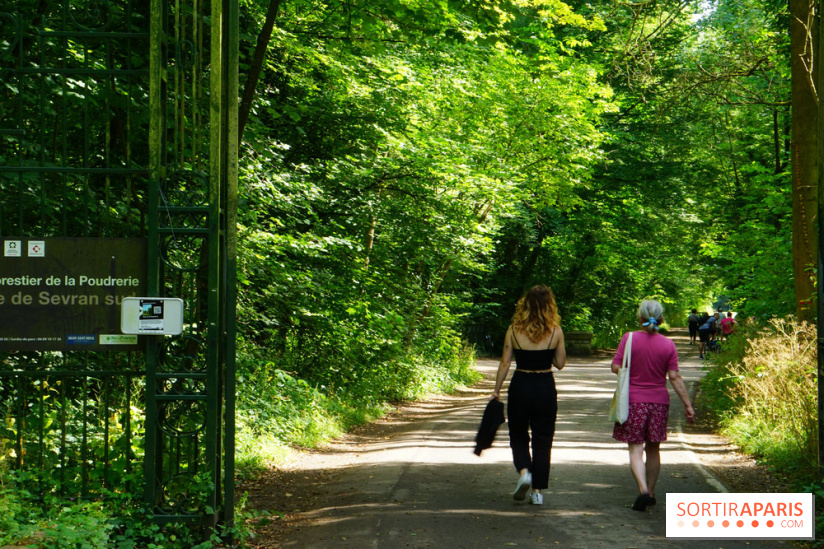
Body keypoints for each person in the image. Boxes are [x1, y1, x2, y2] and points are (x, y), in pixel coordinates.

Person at [611, 300, 695, 511]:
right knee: (654, 449)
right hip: (659, 403)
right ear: (661, 319)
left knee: (636, 449)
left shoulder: (628, 338)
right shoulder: (668, 345)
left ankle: (643, 492)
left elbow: (615, 367)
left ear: (639, 318)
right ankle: (652, 490)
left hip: (633, 402)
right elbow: (674, 377)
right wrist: (688, 405)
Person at [492, 285, 566, 506]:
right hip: (544, 386)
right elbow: (560, 364)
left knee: (518, 434)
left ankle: (524, 471)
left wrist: (496, 390)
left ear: (525, 305)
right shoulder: (556, 331)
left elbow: (505, 362)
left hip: (521, 385)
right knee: (543, 440)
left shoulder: (513, 330)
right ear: (549, 305)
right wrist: (548, 352)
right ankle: (537, 492)